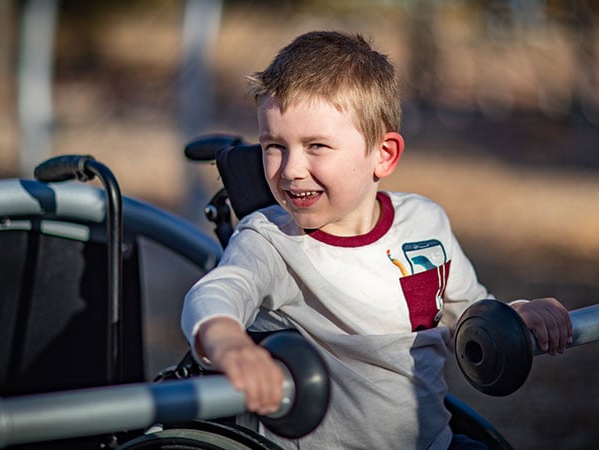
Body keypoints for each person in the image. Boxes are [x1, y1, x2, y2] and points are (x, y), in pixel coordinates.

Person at [181, 30, 572, 449]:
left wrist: (516, 314)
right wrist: (228, 342)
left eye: (316, 145)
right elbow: (218, 293)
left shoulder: (424, 223)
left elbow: (467, 312)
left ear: (383, 154)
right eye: (274, 145)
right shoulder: (271, 241)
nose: (291, 169)